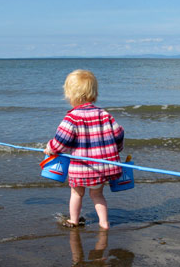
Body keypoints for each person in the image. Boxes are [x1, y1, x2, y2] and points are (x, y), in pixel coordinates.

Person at [44, 69, 124, 229]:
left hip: (82, 167)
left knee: (76, 193)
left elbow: (62, 141)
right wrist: (117, 149)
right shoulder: (104, 114)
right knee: (97, 194)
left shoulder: (72, 117)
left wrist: (51, 148)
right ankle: (104, 223)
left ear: (71, 95)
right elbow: (119, 133)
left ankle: (74, 220)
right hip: (103, 166)